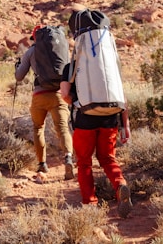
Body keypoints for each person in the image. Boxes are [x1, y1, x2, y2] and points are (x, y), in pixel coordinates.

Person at [60, 23, 133, 217]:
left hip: (85, 119)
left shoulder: (71, 66)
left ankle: (90, 203)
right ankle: (120, 185)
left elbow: (65, 95)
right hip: (111, 118)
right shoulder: (110, 65)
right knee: (108, 158)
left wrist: (78, 101)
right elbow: (121, 97)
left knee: (84, 162)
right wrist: (126, 125)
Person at [15, 25, 75, 179]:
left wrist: (18, 66)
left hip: (39, 95)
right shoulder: (62, 48)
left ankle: (42, 164)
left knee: (37, 128)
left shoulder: (31, 51)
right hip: (58, 94)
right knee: (62, 128)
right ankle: (68, 157)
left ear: (36, 38)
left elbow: (19, 76)